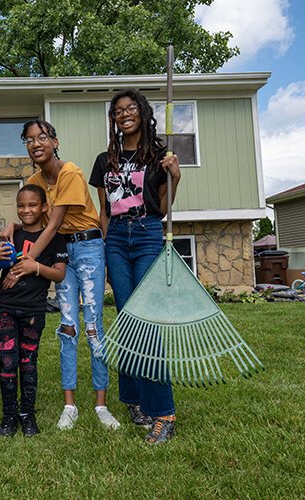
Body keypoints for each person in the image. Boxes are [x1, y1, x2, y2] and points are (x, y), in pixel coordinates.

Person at [4, 119, 121, 431]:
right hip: (60, 250)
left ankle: (100, 404)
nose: (36, 144)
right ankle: (69, 405)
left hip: (88, 247)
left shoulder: (69, 172)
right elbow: (33, 218)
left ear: (55, 142)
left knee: (93, 324)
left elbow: (53, 222)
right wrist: (12, 227)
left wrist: (27, 260)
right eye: (29, 140)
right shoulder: (34, 180)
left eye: (42, 137)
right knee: (68, 325)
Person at [88, 89, 181, 444]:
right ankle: (133, 399)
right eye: (118, 111)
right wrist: (104, 250)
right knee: (127, 319)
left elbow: (163, 206)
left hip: (146, 234)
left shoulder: (160, 156)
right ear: (114, 118)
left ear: (142, 113)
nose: (124, 114)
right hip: (115, 240)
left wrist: (176, 177)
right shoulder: (105, 159)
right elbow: (104, 212)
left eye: (130, 109)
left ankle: (164, 412)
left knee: (146, 320)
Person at [0, 185, 67, 436]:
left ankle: (27, 415)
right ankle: (9, 416)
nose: (26, 210)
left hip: (34, 311)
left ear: (44, 207)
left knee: (28, 363)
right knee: (8, 363)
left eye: (32, 205)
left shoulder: (54, 238)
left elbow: (60, 274)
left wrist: (36, 268)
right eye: (21, 206)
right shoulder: (9, 237)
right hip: (7, 309)